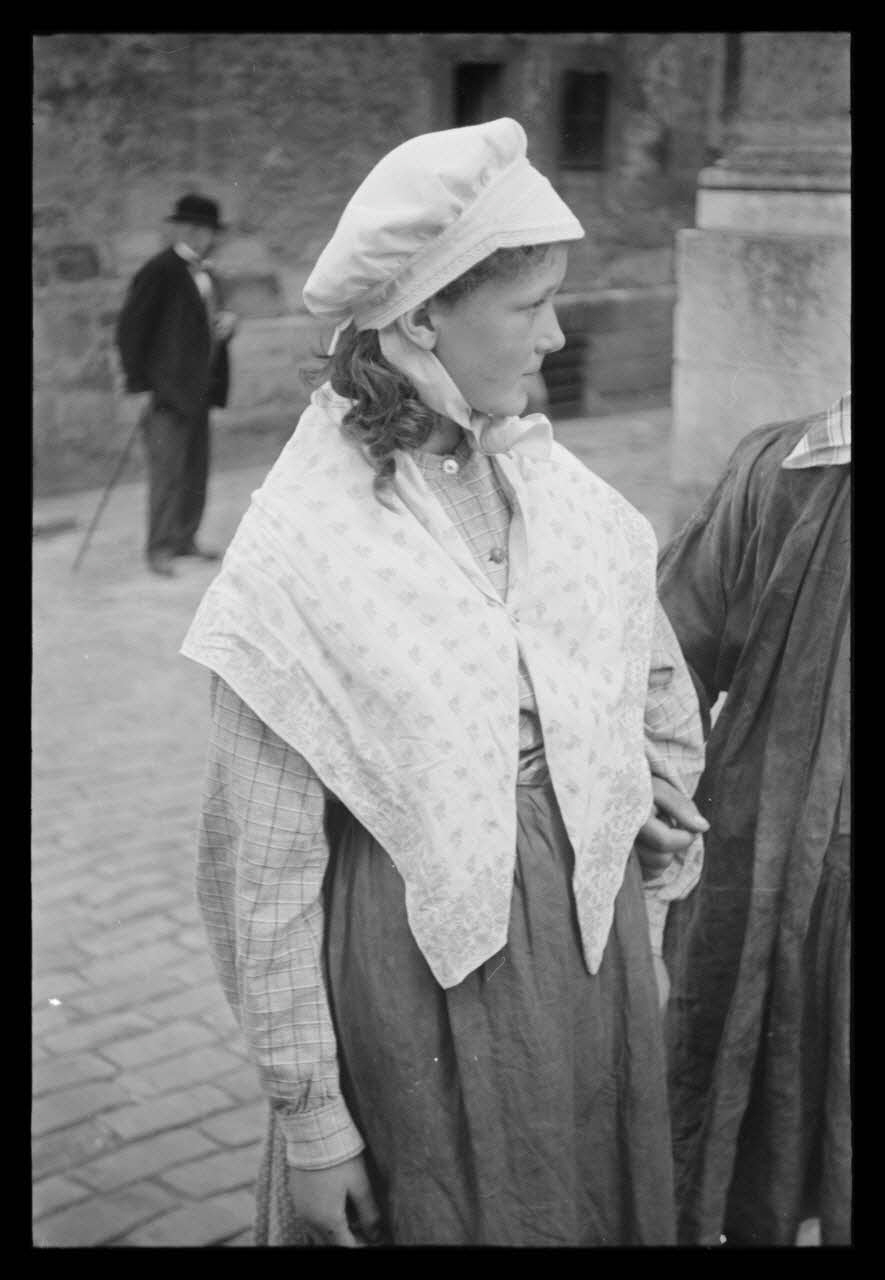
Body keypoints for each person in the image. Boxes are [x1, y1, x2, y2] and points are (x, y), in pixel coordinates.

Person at [181, 118, 708, 1247]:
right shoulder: (302, 547)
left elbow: (644, 677)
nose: (557, 335)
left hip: (586, 953)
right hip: (420, 977)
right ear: (421, 314)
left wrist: (630, 804)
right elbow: (260, 866)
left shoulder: (540, 478)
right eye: (528, 308)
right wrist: (313, 1119)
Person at [657, 394, 851, 1246]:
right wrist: (642, 777)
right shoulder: (785, 472)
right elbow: (661, 657)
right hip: (772, 881)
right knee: (750, 1136)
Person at [115, 193, 237, 577]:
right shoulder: (160, 270)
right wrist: (138, 387)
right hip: (166, 391)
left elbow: (204, 325)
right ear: (181, 229)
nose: (202, 236)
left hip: (199, 388)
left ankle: (185, 538)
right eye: (195, 228)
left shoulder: (208, 273)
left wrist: (228, 326)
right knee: (166, 472)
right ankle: (159, 548)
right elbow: (129, 332)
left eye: (208, 231)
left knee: (195, 469)